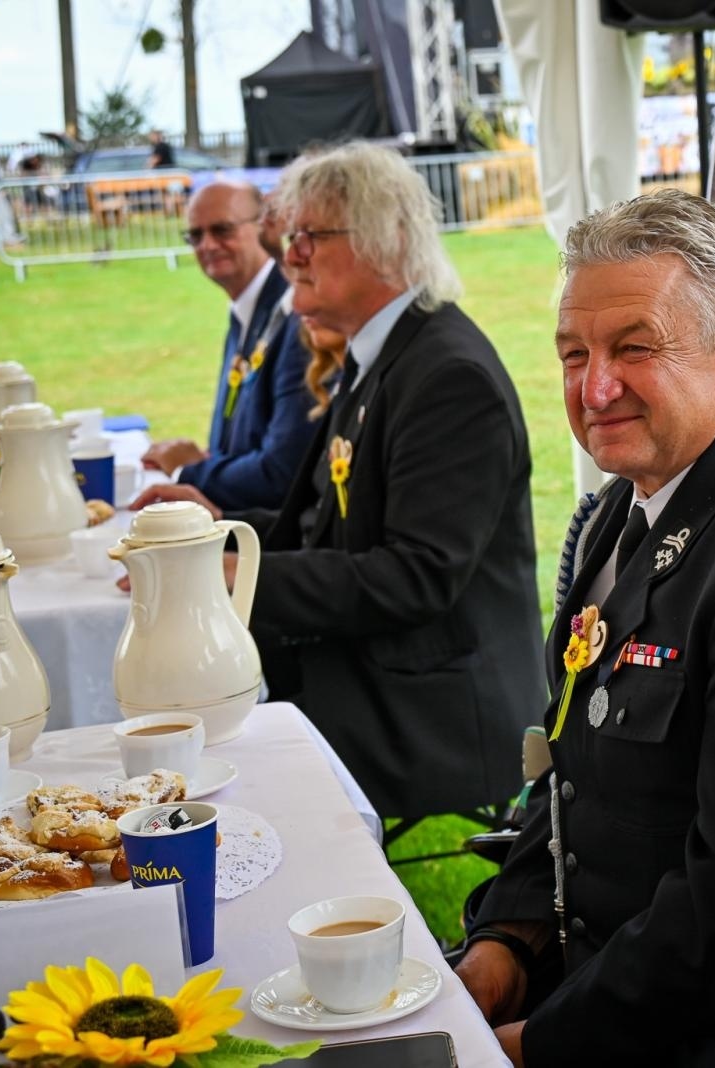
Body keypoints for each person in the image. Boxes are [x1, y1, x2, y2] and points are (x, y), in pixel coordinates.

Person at [453, 189, 715, 1067]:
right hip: (595, 982)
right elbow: (569, 779)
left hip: (693, 1036)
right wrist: (507, 942)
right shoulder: (627, 505)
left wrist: (543, 1043)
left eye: (634, 348)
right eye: (574, 353)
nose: (593, 387)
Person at [130, 141, 544, 819]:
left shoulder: (448, 378)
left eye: (309, 237)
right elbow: (329, 529)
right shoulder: (384, 355)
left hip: (433, 708)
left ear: (390, 241)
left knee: (218, 761)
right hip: (377, 664)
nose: (289, 256)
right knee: (185, 710)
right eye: (287, 237)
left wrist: (239, 575)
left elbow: (415, 576)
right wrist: (216, 535)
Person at [141, 181, 315, 511]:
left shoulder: (297, 315)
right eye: (195, 235)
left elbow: (280, 474)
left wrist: (190, 470)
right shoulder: (245, 308)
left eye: (222, 230)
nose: (208, 245)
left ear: (263, 225)